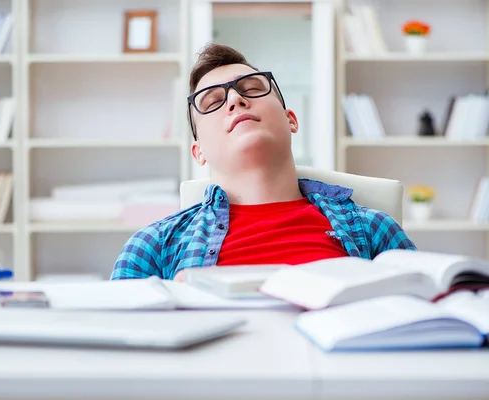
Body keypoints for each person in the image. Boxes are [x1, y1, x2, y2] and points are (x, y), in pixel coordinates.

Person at [110, 43, 416, 281]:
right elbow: (117, 357)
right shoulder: (151, 248)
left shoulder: (374, 229)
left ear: (290, 120)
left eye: (252, 89)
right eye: (213, 101)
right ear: (198, 151)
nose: (235, 101)